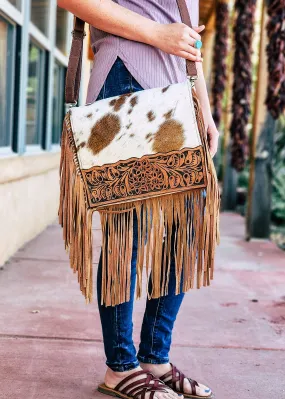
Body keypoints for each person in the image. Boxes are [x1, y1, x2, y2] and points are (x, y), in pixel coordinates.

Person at [58, 1, 220, 398]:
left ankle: (155, 357)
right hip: (126, 82)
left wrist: (206, 108)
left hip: (177, 94)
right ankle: (120, 366)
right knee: (127, 237)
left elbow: (185, 33)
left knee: (186, 232)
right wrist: (156, 33)